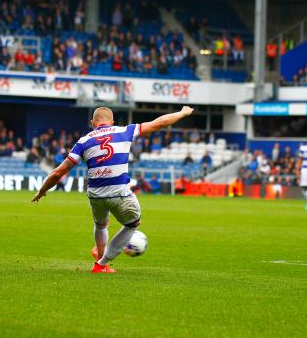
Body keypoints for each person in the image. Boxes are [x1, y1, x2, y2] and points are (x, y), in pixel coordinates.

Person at [31, 105, 194, 273]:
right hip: (118, 191)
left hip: (95, 194)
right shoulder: (124, 131)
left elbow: (58, 173)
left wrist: (42, 191)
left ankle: (100, 255)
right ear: (112, 121)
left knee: (101, 225)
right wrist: (182, 113)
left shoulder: (83, 141)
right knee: (133, 223)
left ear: (92, 123)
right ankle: (101, 264)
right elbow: (158, 123)